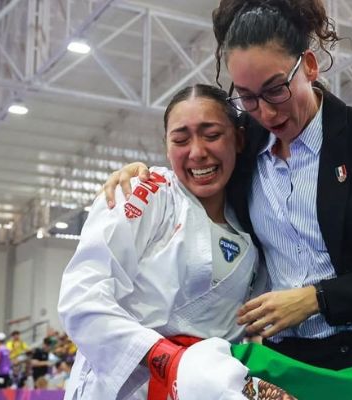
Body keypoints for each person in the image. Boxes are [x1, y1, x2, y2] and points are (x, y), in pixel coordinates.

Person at [103, 0, 352, 370]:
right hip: (285, 362)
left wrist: (316, 298)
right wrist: (146, 178)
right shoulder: (245, 148)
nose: (265, 112)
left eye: (276, 89)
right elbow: (196, 167)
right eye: (247, 97)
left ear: (309, 67)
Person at [59, 84, 267, 400]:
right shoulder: (145, 193)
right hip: (128, 387)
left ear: (238, 138)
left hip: (201, 389)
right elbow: (81, 297)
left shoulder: (253, 224)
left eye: (211, 135)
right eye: (181, 139)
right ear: (167, 146)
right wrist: (163, 357)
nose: (197, 152)